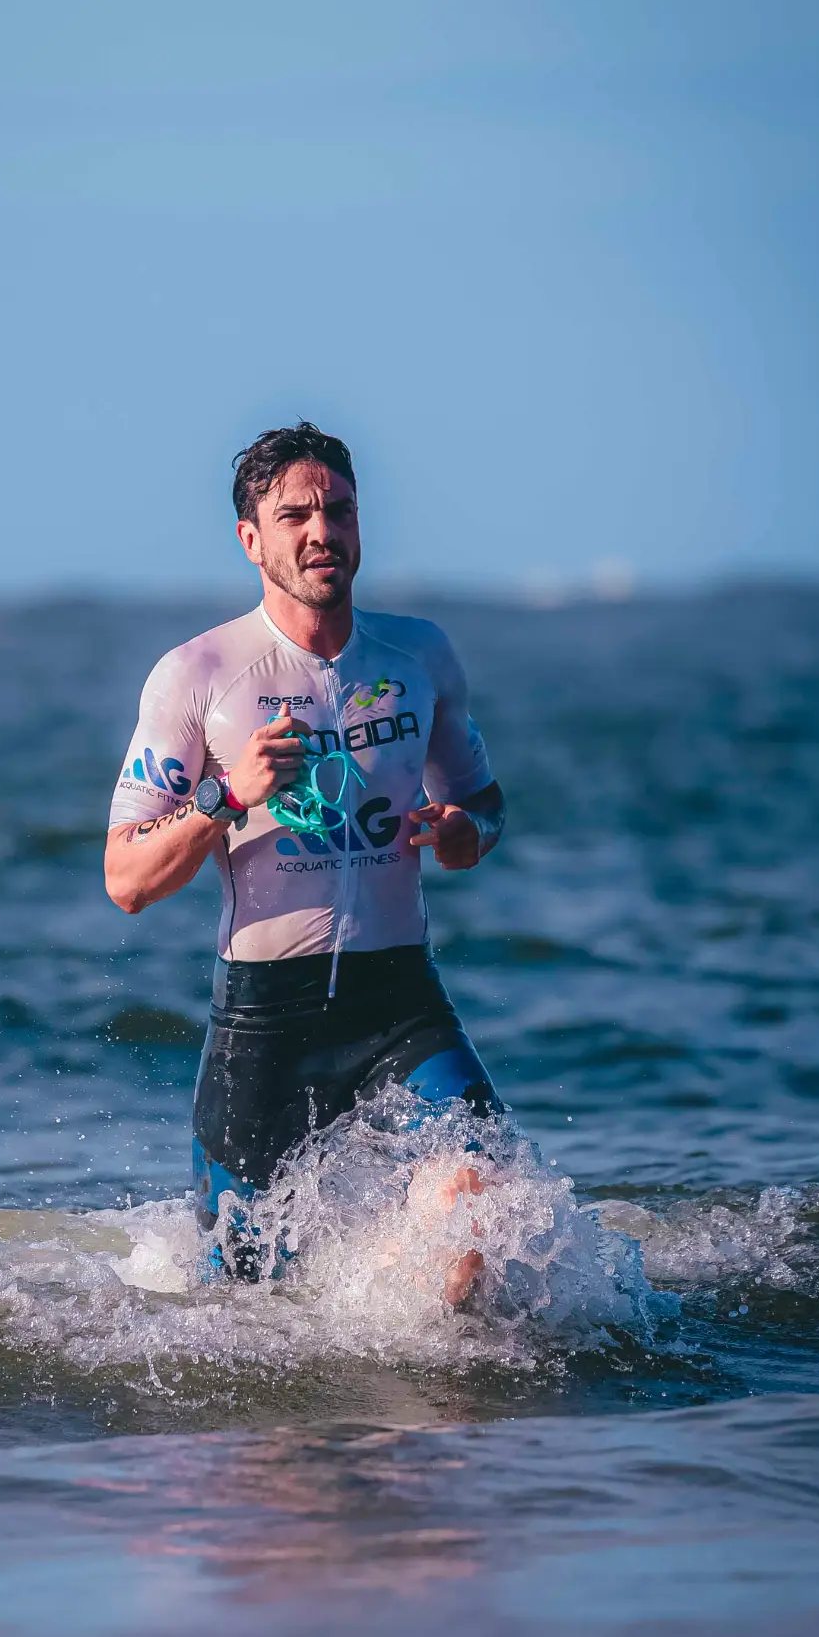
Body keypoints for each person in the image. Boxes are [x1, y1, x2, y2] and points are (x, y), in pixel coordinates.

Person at [104, 421, 506, 1302]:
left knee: (482, 1204)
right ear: (251, 540)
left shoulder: (418, 657)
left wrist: (461, 835)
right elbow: (126, 879)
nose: (321, 531)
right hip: (265, 1025)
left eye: (339, 510)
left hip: (401, 1000)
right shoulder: (198, 673)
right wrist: (225, 797)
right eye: (295, 516)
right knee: (247, 1312)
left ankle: (434, 1420)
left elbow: (485, 805)